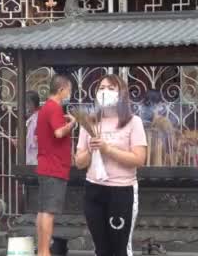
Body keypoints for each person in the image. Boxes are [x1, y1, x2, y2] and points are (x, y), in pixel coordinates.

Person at [75, 74, 148, 256]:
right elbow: (79, 162)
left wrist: (108, 149)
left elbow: (139, 159)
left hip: (121, 191)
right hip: (94, 189)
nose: (105, 92)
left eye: (111, 88)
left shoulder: (133, 122)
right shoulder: (89, 123)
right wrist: (91, 150)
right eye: (101, 88)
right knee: (101, 248)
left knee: (120, 247)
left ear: (121, 93)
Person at [36, 74, 76, 256]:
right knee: (48, 212)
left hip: (47, 165)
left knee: (43, 211)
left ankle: (42, 250)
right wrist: (73, 124)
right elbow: (59, 133)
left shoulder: (46, 108)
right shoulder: (53, 108)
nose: (69, 94)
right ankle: (45, 251)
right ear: (61, 90)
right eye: (69, 90)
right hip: (53, 167)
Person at [26, 91, 41, 165]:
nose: (25, 106)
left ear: (31, 103)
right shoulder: (33, 118)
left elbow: (35, 140)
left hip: (35, 159)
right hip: (32, 158)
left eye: (26, 103)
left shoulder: (37, 118)